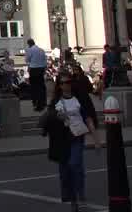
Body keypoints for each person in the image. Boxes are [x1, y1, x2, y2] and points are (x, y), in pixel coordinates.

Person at [42, 72, 100, 211]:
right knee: (65, 170)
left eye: (67, 82)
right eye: (62, 83)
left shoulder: (79, 99)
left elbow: (88, 119)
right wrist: (57, 118)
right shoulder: (56, 101)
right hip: (61, 140)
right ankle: (72, 198)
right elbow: (49, 119)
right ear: (59, 86)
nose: (65, 85)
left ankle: (80, 194)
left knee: (75, 164)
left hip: (77, 137)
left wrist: (96, 140)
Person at [26, 38, 48, 112]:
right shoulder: (41, 50)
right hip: (41, 69)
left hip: (34, 69)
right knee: (41, 86)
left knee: (35, 87)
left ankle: (36, 103)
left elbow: (27, 60)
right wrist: (44, 69)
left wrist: (29, 67)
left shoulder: (30, 50)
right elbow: (45, 61)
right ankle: (43, 102)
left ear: (29, 44)